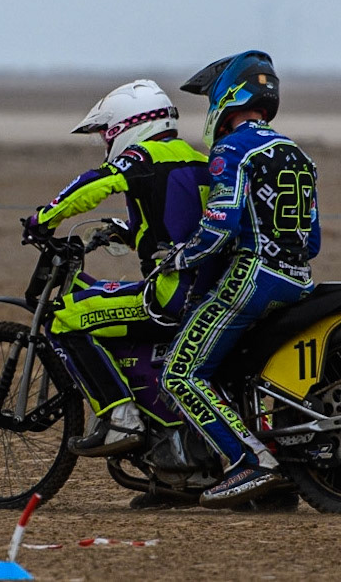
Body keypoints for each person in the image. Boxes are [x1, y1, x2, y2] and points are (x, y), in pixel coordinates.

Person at [159, 50, 321, 508]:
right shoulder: (298, 154)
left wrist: (179, 258)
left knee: (181, 372)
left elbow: (220, 225)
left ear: (228, 98)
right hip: (298, 278)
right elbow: (312, 240)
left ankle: (250, 462)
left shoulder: (232, 150)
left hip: (255, 277)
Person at [22, 79, 214, 460]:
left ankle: (121, 420)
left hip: (172, 294)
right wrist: (130, 233)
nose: (107, 148)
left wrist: (44, 218)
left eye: (106, 137)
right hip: (211, 290)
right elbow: (180, 223)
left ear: (128, 126)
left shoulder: (143, 157)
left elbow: (95, 182)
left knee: (64, 318)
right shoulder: (196, 159)